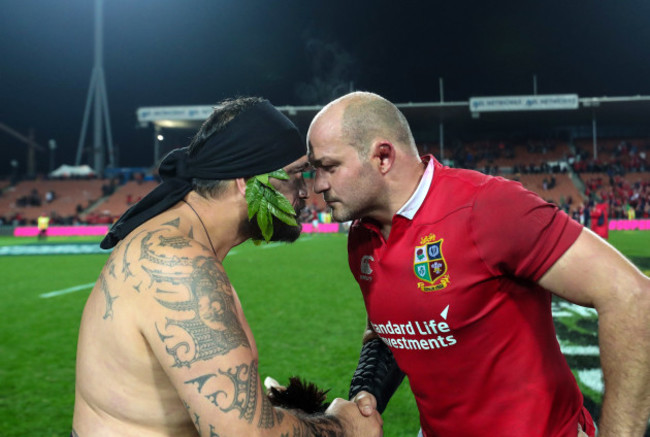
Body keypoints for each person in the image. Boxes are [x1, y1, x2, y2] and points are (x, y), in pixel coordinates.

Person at [306, 91, 650, 437]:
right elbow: (390, 327)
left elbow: (633, 298)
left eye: (328, 167)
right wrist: (368, 390)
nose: (318, 185)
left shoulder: (487, 208)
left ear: (382, 157)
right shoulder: (361, 238)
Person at [72, 97, 383, 437]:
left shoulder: (182, 249)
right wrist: (345, 427)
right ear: (245, 181)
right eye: (295, 175)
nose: (307, 191)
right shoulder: (176, 265)